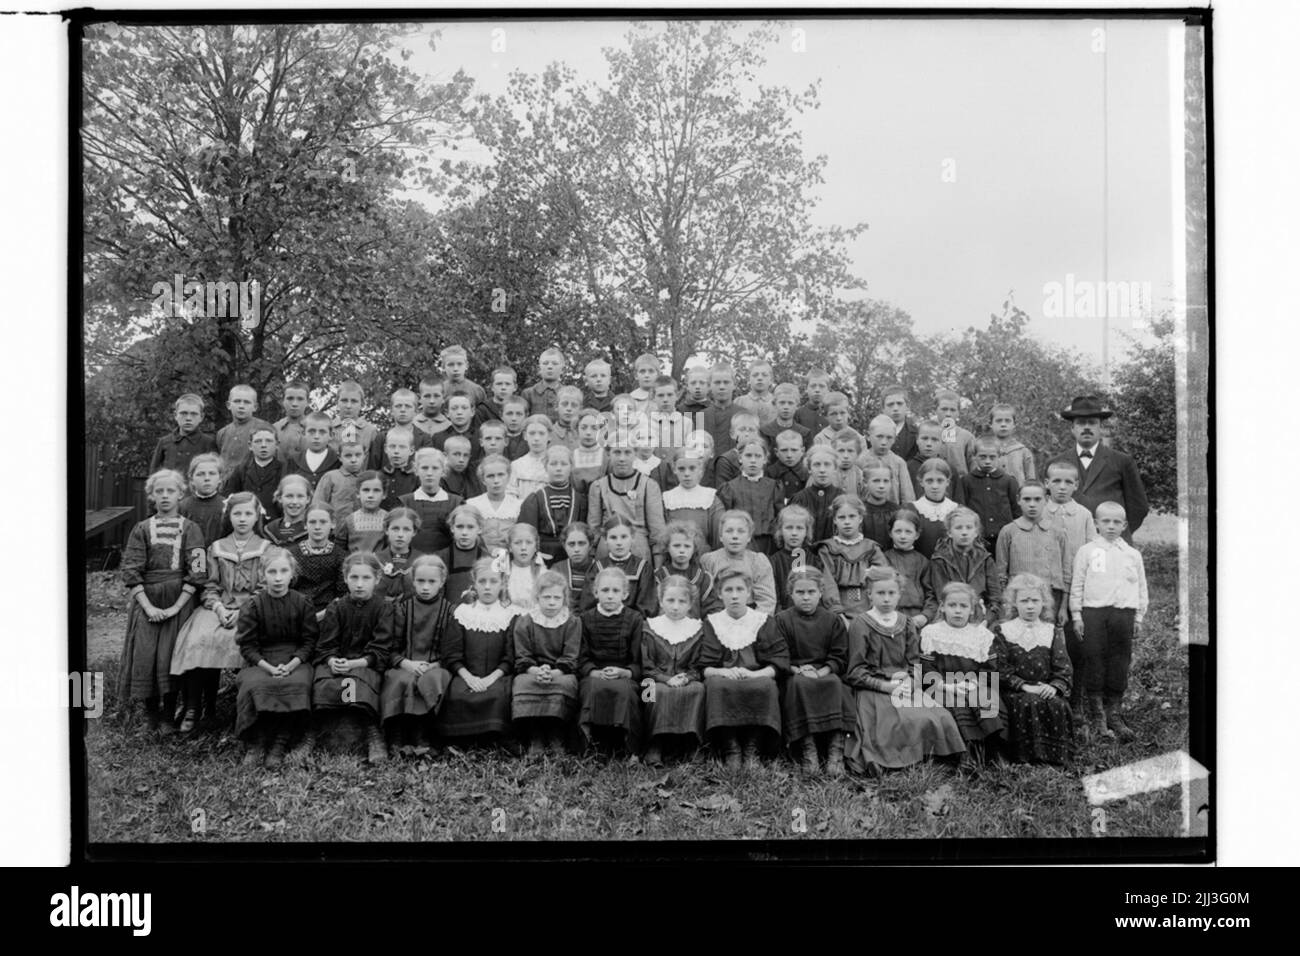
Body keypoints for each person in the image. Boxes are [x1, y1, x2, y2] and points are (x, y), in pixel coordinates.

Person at [844, 566, 965, 774]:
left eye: (892, 593)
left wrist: (911, 681)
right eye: (880, 593)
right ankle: (904, 761)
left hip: (905, 685)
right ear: (869, 594)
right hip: (875, 688)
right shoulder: (860, 624)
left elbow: (914, 661)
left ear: (899, 595)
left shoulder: (906, 623)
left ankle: (933, 759)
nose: (886, 599)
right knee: (902, 720)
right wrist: (887, 687)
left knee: (939, 717)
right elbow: (855, 672)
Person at [171, 491, 269, 733]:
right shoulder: (215, 548)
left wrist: (245, 609)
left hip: (253, 609)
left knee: (249, 642)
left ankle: (244, 708)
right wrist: (217, 607)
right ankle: (195, 706)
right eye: (237, 514)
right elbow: (209, 585)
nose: (243, 519)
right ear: (229, 516)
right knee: (198, 638)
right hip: (219, 607)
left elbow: (266, 587)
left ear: (257, 516)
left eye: (248, 513)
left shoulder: (267, 548)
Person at [118, 470, 206, 734]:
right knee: (146, 654)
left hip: (180, 600)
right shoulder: (141, 529)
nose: (165, 496)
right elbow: (131, 570)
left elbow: (198, 569)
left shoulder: (192, 529)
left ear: (181, 494)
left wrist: (175, 608)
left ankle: (169, 714)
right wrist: (149, 608)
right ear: (152, 495)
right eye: (160, 491)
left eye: (171, 491)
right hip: (148, 602)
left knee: (170, 657)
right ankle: (150, 714)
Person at [1069, 501, 1149, 742]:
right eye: (1106, 521)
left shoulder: (1132, 554)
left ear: (1124, 525)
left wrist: (1139, 616)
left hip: (1123, 614)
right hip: (1093, 613)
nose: (1111, 526)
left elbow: (1141, 587)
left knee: (1120, 661)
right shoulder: (1087, 551)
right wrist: (1076, 615)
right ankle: (1097, 715)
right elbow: (1078, 584)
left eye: (1117, 522)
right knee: (1093, 658)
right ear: (1096, 523)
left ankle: (1114, 712)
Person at [234, 547, 318, 768]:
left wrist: (292, 665)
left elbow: (309, 641)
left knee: (298, 683)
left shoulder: (303, 602)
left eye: (284, 571)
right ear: (263, 574)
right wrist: (269, 668)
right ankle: (258, 740)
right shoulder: (253, 605)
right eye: (272, 572)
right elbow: (247, 646)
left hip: (295, 659)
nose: (278, 578)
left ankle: (280, 741)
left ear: (293, 574)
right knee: (254, 684)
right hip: (260, 659)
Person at [699, 569, 790, 769]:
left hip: (756, 674)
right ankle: (731, 747)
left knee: (765, 686)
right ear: (719, 593)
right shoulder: (712, 622)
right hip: (724, 676)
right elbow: (703, 667)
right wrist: (722, 672)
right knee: (716, 686)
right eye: (728, 590)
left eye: (740, 589)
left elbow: (780, 661)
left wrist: (755, 674)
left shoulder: (763, 621)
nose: (734, 595)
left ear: (749, 593)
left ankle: (752, 747)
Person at [313, 551, 391, 763]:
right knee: (323, 680)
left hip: (366, 664)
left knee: (356, 682)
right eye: (354, 577)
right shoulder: (336, 607)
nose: (359, 584)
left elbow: (382, 648)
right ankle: (312, 732)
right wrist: (331, 660)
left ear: (377, 579)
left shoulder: (384, 608)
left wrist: (357, 662)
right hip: (337, 661)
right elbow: (325, 645)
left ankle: (372, 732)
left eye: (366, 578)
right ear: (345, 578)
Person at [774, 566, 851, 776]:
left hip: (824, 671)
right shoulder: (781, 620)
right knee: (799, 685)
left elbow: (839, 656)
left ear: (820, 592)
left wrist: (822, 672)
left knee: (836, 684)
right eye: (800, 592)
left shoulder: (832, 621)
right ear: (791, 593)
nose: (806, 598)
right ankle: (808, 752)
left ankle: (835, 752)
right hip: (794, 673)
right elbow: (778, 655)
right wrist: (797, 669)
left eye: (811, 592)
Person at [921, 581, 1005, 772]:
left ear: (972, 609)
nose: (957, 611)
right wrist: (945, 685)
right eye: (952, 605)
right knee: (954, 702)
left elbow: (991, 668)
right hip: (942, 686)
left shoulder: (981, 635)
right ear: (942, 607)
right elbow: (926, 669)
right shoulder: (931, 633)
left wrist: (976, 682)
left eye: (963, 606)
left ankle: (994, 750)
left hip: (974, 684)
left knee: (984, 699)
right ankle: (965, 752)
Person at [377, 554, 456, 756]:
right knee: (401, 680)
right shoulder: (402, 609)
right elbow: (391, 647)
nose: (426, 587)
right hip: (405, 664)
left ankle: (422, 734)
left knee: (431, 680)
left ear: (442, 582)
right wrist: (406, 663)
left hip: (436, 666)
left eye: (432, 582)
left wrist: (435, 665)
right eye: (420, 581)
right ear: (413, 581)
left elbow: (452, 651)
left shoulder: (450, 612)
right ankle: (397, 734)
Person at [993, 573, 1075, 765]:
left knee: (1057, 704)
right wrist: (1023, 686)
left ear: (1043, 603)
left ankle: (1056, 757)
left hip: (1045, 687)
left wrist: (1054, 686)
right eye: (1024, 601)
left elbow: (1063, 666)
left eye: (1035, 600)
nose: (1030, 606)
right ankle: (1027, 757)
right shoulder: (1003, 630)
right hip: (1015, 691)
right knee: (1029, 703)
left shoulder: (1050, 630)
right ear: (1014, 604)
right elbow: (999, 667)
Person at [438, 556, 517, 746]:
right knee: (457, 693)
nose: (488, 587)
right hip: (466, 674)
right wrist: (469, 678)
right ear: (474, 583)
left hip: (497, 675)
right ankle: (462, 740)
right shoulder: (463, 613)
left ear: (503, 583)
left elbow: (510, 656)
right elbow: (452, 654)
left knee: (497, 694)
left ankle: (493, 738)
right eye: (482, 581)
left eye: (493, 581)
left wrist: (490, 678)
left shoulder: (510, 615)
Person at [1056, 395, 1150, 539]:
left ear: (1101, 428)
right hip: (1070, 542)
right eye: (1081, 423)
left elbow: (1139, 506)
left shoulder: (1122, 461)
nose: (1087, 427)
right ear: (1072, 429)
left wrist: (1117, 533)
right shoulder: (1056, 463)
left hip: (1112, 545)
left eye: (1092, 423)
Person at [511, 570, 582, 756]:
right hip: (533, 670)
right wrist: (536, 670)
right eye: (546, 597)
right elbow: (522, 656)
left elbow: (571, 656)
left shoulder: (572, 622)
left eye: (557, 598)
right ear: (537, 597)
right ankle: (535, 736)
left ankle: (556, 733)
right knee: (523, 682)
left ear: (564, 599)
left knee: (565, 684)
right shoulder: (525, 622)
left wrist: (554, 672)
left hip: (561, 672)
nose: (551, 602)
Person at [577, 567, 645, 760]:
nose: (610, 596)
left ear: (625, 594)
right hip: (594, 674)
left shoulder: (635, 619)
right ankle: (592, 745)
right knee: (592, 689)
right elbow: (581, 657)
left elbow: (640, 660)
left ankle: (627, 746)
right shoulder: (585, 619)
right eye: (605, 590)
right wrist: (592, 672)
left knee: (626, 692)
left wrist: (625, 672)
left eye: (615, 591)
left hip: (624, 675)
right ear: (595, 592)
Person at [639, 575, 707, 766]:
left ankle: (691, 742)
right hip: (653, 679)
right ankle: (654, 743)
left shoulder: (697, 629)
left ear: (690, 604)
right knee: (650, 690)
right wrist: (665, 679)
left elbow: (698, 666)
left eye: (682, 601)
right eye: (670, 600)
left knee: (698, 690)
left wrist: (687, 678)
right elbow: (645, 665)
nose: (675, 607)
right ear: (660, 601)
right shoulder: (649, 627)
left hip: (686, 679)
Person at [995, 480, 1070, 624]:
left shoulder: (1057, 532)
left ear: (1046, 500)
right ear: (1018, 500)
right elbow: (1001, 574)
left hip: (1051, 597)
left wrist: (1063, 607)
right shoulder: (1008, 531)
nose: (1032, 504)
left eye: (1037, 499)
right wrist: (1006, 605)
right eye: (1027, 499)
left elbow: (1066, 573)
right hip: (1020, 599)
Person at [586, 439, 665, 561]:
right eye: (616, 452)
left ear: (635, 454)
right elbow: (594, 528)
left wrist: (658, 564)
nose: (622, 459)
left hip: (638, 547)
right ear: (608, 454)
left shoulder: (649, 485)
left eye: (627, 452)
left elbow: (657, 529)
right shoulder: (598, 486)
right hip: (607, 546)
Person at [923, 507, 1002, 625]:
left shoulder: (986, 559)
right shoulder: (940, 560)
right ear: (949, 532)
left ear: (976, 532)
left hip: (980, 619)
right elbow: (941, 596)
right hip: (950, 618)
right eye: (958, 528)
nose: (964, 532)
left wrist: (986, 620)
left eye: (969, 527)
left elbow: (995, 598)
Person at [818, 494, 888, 617]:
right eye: (841, 517)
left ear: (860, 518)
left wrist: (875, 609)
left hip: (869, 609)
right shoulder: (827, 549)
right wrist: (836, 611)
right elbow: (828, 582)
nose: (847, 522)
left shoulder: (871, 548)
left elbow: (882, 580)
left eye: (852, 516)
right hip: (838, 610)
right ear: (834, 519)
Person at [519, 444, 587, 565]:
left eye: (564, 464)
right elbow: (528, 534)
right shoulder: (535, 499)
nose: (558, 468)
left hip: (573, 554)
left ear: (571, 467)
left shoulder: (580, 500)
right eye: (553, 464)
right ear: (545, 466)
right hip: (543, 555)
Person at [700, 511, 779, 614]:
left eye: (741, 531)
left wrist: (755, 624)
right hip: (718, 614)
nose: (735, 536)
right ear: (721, 536)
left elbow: (766, 600)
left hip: (751, 615)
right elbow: (706, 596)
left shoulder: (758, 561)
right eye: (729, 531)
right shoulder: (709, 560)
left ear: (749, 537)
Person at [579, 516, 656, 616]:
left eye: (624, 537)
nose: (619, 543)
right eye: (613, 537)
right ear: (605, 539)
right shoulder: (597, 568)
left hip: (633, 625)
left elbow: (647, 607)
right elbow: (587, 606)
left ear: (632, 538)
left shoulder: (643, 568)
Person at [769, 504, 840, 612]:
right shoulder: (773, 562)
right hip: (784, 617)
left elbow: (822, 590)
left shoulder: (816, 560)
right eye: (789, 528)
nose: (794, 533)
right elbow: (774, 596)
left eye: (799, 528)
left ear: (807, 531)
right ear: (780, 530)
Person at [718, 439, 782, 554]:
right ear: (740, 458)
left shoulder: (774, 487)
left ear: (765, 459)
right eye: (748, 455)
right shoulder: (730, 488)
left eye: (758, 456)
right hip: (740, 544)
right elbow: (725, 519)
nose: (753, 460)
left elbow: (780, 516)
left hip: (768, 544)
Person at [958, 435, 1020, 551]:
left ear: (999, 457)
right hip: (976, 541)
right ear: (975, 457)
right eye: (983, 457)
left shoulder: (1009, 481)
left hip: (1004, 539)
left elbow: (1017, 510)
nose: (987, 461)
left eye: (992, 457)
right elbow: (962, 509)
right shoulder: (966, 481)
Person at [399, 447, 461, 555]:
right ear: (416, 470)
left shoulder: (456, 503)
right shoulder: (405, 502)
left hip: (447, 561)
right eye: (424, 468)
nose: (429, 473)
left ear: (443, 471)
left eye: (435, 468)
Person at [291, 507, 346, 620]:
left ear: (333, 524)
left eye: (323, 522)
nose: (317, 527)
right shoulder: (292, 554)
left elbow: (342, 593)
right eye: (312, 522)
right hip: (297, 612)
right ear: (305, 525)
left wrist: (321, 616)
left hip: (330, 614)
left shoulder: (340, 556)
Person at [661, 452, 723, 551]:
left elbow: (718, 534)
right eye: (681, 469)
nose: (687, 474)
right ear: (674, 470)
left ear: (700, 470)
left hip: (703, 555)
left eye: (692, 468)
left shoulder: (710, 497)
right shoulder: (667, 499)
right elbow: (662, 534)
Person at [653, 522, 714, 619]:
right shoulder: (658, 576)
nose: (682, 550)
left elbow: (711, 610)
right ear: (667, 547)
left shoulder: (703, 578)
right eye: (676, 545)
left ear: (694, 549)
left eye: (687, 546)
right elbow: (652, 609)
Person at [223, 426, 284, 520]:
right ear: (250, 445)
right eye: (258, 441)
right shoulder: (240, 470)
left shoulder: (285, 470)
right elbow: (230, 496)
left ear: (277, 445)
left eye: (269, 441)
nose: (263, 445)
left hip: (274, 522)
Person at [465, 454, 523, 553]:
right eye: (490, 476)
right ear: (483, 480)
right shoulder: (472, 504)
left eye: (501, 475)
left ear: (508, 477)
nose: (496, 481)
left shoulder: (519, 505)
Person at [149, 393, 218, 475]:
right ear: (175, 415)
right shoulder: (164, 442)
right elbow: (153, 474)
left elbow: (214, 474)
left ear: (201, 417)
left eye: (194, 414)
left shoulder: (208, 443)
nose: (188, 418)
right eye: (183, 413)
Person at [436, 504, 492, 604]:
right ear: (452, 528)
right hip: (448, 614)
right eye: (459, 527)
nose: (464, 532)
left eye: (470, 527)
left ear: (479, 529)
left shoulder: (488, 559)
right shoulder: (441, 558)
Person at [884, 508, 930, 627]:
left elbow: (931, 593)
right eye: (898, 531)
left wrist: (925, 615)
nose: (903, 536)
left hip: (918, 615)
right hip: (891, 614)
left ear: (917, 535)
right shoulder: (884, 559)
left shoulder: (923, 562)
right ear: (890, 533)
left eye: (908, 532)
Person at [216, 384, 274, 474]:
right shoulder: (222, 432)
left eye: (246, 402)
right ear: (228, 405)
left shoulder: (264, 429)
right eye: (237, 401)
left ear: (255, 407)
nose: (241, 406)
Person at [858, 414, 916, 504]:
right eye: (879, 436)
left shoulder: (899, 463)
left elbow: (907, 496)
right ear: (868, 436)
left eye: (889, 438)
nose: (884, 442)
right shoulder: (860, 461)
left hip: (893, 513)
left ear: (894, 439)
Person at [310, 440, 367, 528]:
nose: (353, 460)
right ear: (339, 457)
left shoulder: (368, 479)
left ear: (364, 456)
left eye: (358, 455)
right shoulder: (331, 477)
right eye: (348, 456)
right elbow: (318, 503)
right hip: (335, 529)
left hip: (361, 529)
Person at [790, 445, 841, 543]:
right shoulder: (799, 499)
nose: (822, 470)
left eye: (827, 464)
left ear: (835, 468)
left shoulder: (842, 498)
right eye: (817, 464)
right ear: (809, 469)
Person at [912, 458, 961, 559]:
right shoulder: (912, 509)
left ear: (947, 482)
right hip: (921, 568)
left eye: (940, 481)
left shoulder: (956, 511)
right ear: (921, 482)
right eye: (929, 481)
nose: (935, 486)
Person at [374, 508, 424, 601]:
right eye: (395, 529)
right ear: (386, 530)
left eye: (406, 529)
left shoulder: (422, 561)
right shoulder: (375, 559)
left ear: (414, 532)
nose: (400, 534)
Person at [335, 471, 388, 553]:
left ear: (384, 494)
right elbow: (340, 548)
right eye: (366, 490)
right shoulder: (349, 520)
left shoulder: (388, 519)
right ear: (357, 493)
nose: (371, 495)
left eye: (376, 490)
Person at [179, 453, 226, 547]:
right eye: (201, 474)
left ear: (220, 478)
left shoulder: (227, 506)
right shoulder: (182, 507)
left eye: (212, 474)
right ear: (191, 479)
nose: (207, 478)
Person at [287, 411, 341, 490]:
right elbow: (286, 488)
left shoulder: (338, 461)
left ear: (331, 435)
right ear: (303, 433)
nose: (316, 436)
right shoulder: (294, 460)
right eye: (311, 431)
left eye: (322, 432)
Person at [930, 388, 976, 478]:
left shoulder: (967, 437)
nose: (948, 414)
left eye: (953, 410)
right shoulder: (926, 433)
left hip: (960, 486)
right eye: (944, 409)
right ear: (935, 410)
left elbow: (974, 466)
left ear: (958, 412)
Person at [552, 521, 597, 612]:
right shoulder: (557, 570)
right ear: (564, 546)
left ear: (590, 545)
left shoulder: (600, 568)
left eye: (581, 544)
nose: (576, 549)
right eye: (571, 544)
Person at [507, 414, 553, 501]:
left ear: (549, 436)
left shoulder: (555, 464)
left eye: (541, 433)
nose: (536, 438)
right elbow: (510, 495)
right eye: (532, 433)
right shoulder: (516, 465)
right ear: (525, 435)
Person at [328, 380, 378, 459]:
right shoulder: (328, 429)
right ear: (337, 402)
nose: (348, 406)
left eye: (354, 401)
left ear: (362, 404)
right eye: (344, 400)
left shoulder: (370, 431)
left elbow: (374, 463)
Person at [503, 522, 546, 611]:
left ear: (535, 547)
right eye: (517, 543)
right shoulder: (503, 571)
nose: (523, 547)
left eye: (529, 542)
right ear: (510, 547)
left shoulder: (542, 573)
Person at [760, 384, 811, 459]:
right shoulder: (765, 432)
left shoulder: (804, 433)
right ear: (774, 404)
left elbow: (808, 459)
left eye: (790, 403)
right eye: (782, 403)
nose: (786, 407)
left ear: (797, 406)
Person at [989, 403, 1035, 484]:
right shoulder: (984, 450)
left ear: (1014, 424)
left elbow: (1031, 480)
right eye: (998, 421)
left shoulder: (1023, 452)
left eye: (1007, 421)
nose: (1003, 424)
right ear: (991, 424)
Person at [701, 362, 741, 455]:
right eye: (717, 382)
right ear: (710, 385)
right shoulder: (701, 416)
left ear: (734, 385)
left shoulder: (743, 414)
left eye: (726, 382)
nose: (722, 387)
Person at [264, 474, 311, 546]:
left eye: (300, 496)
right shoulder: (271, 529)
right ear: (279, 498)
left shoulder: (312, 529)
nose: (295, 502)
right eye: (289, 496)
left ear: (308, 499)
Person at [766, 429, 810, 506]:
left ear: (802, 451)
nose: (789, 455)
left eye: (794, 450)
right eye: (784, 450)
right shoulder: (770, 473)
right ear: (776, 452)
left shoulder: (808, 473)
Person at [273, 380, 312, 463]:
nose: (294, 404)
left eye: (300, 399)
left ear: (308, 402)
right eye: (290, 398)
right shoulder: (274, 429)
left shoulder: (316, 429)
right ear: (282, 401)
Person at [880, 385, 918, 462]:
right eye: (890, 404)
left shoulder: (918, 434)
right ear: (883, 408)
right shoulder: (873, 435)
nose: (895, 408)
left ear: (907, 406)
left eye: (899, 403)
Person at [734, 359, 777, 425]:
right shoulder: (739, 402)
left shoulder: (777, 402)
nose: (760, 378)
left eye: (764, 375)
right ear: (748, 379)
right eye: (755, 375)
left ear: (771, 380)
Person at [795, 368, 831, 433]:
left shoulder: (833, 413)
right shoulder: (798, 414)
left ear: (828, 389)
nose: (817, 390)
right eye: (813, 386)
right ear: (806, 388)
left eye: (822, 386)